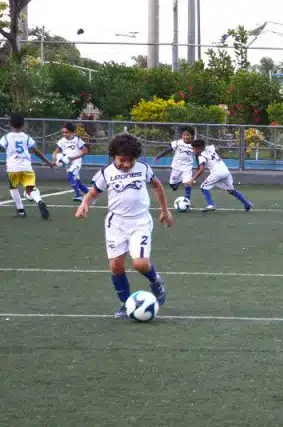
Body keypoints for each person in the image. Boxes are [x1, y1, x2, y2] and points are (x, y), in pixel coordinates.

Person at [75, 132, 172, 317]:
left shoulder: (143, 168)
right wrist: (84, 204)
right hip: (116, 223)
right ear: (113, 156)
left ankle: (156, 281)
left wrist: (164, 210)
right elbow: (93, 193)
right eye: (122, 160)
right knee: (116, 266)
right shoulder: (106, 173)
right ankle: (125, 304)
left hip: (140, 221)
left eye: (130, 161)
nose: (126, 165)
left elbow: (157, 185)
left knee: (140, 264)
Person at [1, 114, 55, 219]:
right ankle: (39, 201)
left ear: (10, 124)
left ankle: (20, 210)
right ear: (22, 124)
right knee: (30, 189)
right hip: (26, 167)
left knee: (13, 187)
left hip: (13, 167)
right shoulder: (26, 137)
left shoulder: (6, 138)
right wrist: (48, 162)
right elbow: (36, 151)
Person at [189, 139, 254, 212]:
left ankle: (211, 205)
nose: (193, 150)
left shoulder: (201, 156)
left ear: (199, 148)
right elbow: (213, 148)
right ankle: (247, 203)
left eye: (193, 148)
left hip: (217, 173)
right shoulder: (210, 148)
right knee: (231, 190)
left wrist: (192, 179)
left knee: (203, 187)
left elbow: (201, 169)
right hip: (226, 172)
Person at [153, 126, 196, 210]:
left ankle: (187, 201)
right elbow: (168, 150)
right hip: (176, 167)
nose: (186, 137)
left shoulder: (194, 145)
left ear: (192, 136)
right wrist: (158, 156)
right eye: (184, 135)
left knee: (188, 183)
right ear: (182, 136)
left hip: (187, 168)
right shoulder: (178, 143)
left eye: (188, 135)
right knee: (172, 185)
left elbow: (198, 154)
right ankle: (177, 182)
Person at [53, 122, 90, 201]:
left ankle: (78, 195)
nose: (64, 134)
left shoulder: (77, 140)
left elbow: (85, 151)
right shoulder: (62, 141)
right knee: (77, 181)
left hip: (76, 162)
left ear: (72, 132)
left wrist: (73, 158)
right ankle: (90, 195)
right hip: (68, 164)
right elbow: (55, 152)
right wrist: (54, 160)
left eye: (66, 132)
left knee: (70, 175)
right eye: (63, 132)